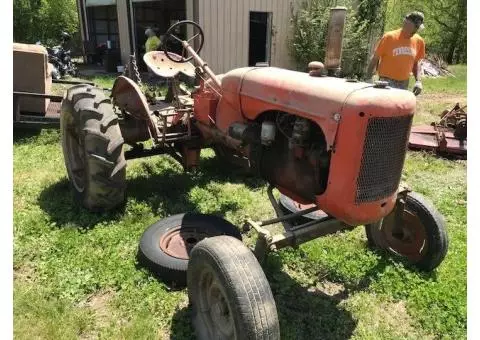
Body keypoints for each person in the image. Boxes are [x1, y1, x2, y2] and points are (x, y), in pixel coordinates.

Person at [366, 11, 426, 95]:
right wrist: (368, 78)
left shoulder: (419, 41)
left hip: (404, 83)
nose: (416, 30)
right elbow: (375, 58)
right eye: (415, 27)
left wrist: (418, 81)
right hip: (386, 82)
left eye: (418, 28)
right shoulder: (389, 37)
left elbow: (416, 63)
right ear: (406, 23)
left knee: (399, 107)